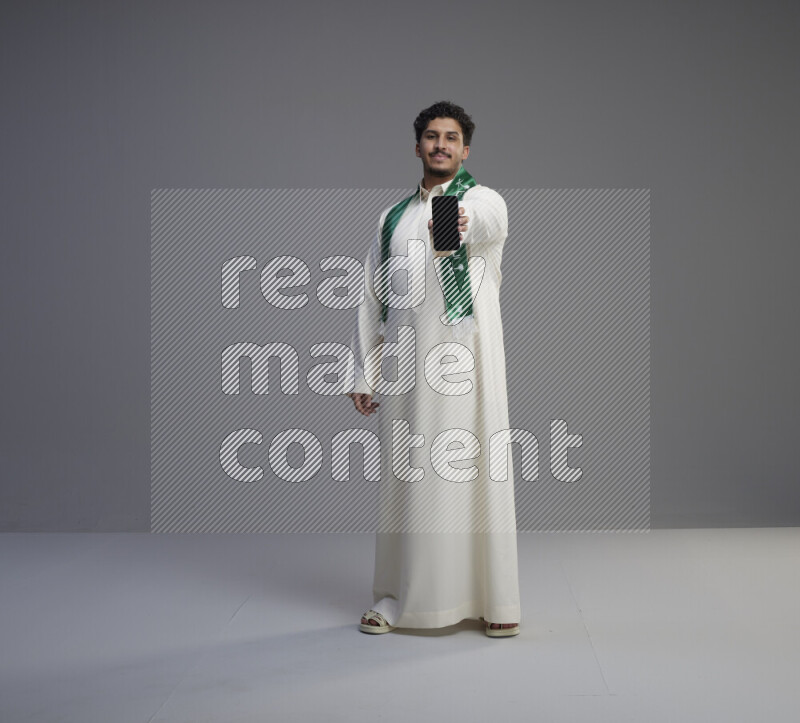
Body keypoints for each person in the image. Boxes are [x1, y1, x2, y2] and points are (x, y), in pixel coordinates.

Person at [347, 101, 521, 637]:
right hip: (408, 371)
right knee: (408, 479)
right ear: (417, 146)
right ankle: (399, 598)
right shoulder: (391, 219)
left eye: (451, 138)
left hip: (469, 367)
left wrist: (460, 218)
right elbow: (371, 297)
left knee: (474, 478)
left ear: (465, 150)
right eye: (431, 136)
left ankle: (495, 601)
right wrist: (364, 371)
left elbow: (487, 223)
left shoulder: (483, 199)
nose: (441, 145)